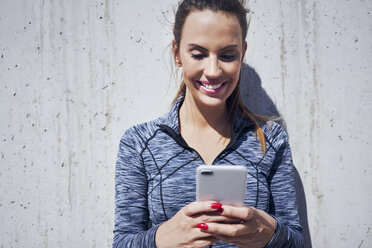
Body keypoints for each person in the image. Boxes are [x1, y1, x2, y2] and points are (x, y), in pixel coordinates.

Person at [113, 0, 303, 247]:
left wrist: (269, 232)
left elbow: (297, 241)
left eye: (227, 55)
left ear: (242, 53)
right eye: (198, 54)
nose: (213, 71)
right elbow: (122, 242)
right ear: (177, 54)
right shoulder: (138, 143)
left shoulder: (270, 139)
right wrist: (160, 239)